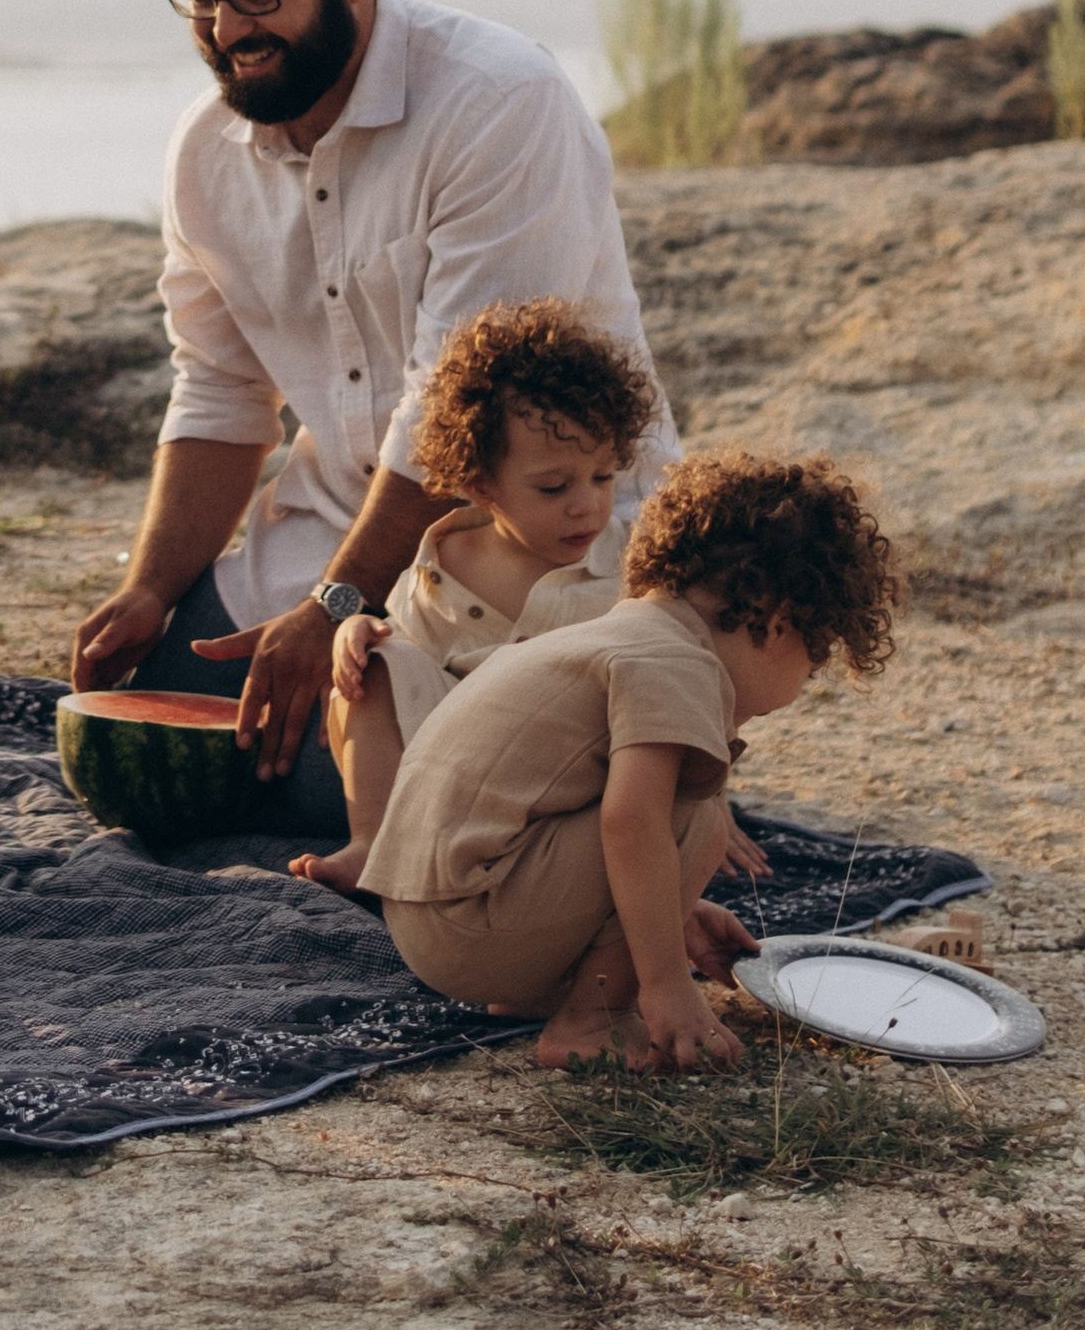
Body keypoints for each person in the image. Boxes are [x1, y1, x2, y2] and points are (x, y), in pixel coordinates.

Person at [71, 0, 677, 833]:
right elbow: (220, 390)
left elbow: (463, 413)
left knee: (330, 788)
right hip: (327, 527)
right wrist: (150, 587)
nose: (226, 30)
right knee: (165, 727)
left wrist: (339, 606)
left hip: (531, 536)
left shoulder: (498, 101)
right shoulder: (201, 155)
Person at [360, 448, 895, 1066]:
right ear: (779, 625)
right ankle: (597, 1019)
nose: (806, 678)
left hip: (427, 916)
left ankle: (544, 994)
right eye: (816, 655)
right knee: (695, 813)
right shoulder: (679, 663)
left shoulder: (623, 632)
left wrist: (675, 915)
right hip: (472, 925)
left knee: (660, 811)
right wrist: (665, 983)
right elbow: (632, 823)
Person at [290, 297, 655, 894]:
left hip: (572, 780)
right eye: (554, 486)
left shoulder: (633, 566)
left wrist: (702, 798)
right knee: (373, 667)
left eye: (603, 476)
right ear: (481, 486)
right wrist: (359, 632)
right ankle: (373, 844)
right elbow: (410, 658)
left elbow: (679, 679)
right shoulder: (445, 561)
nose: (587, 505)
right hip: (461, 777)